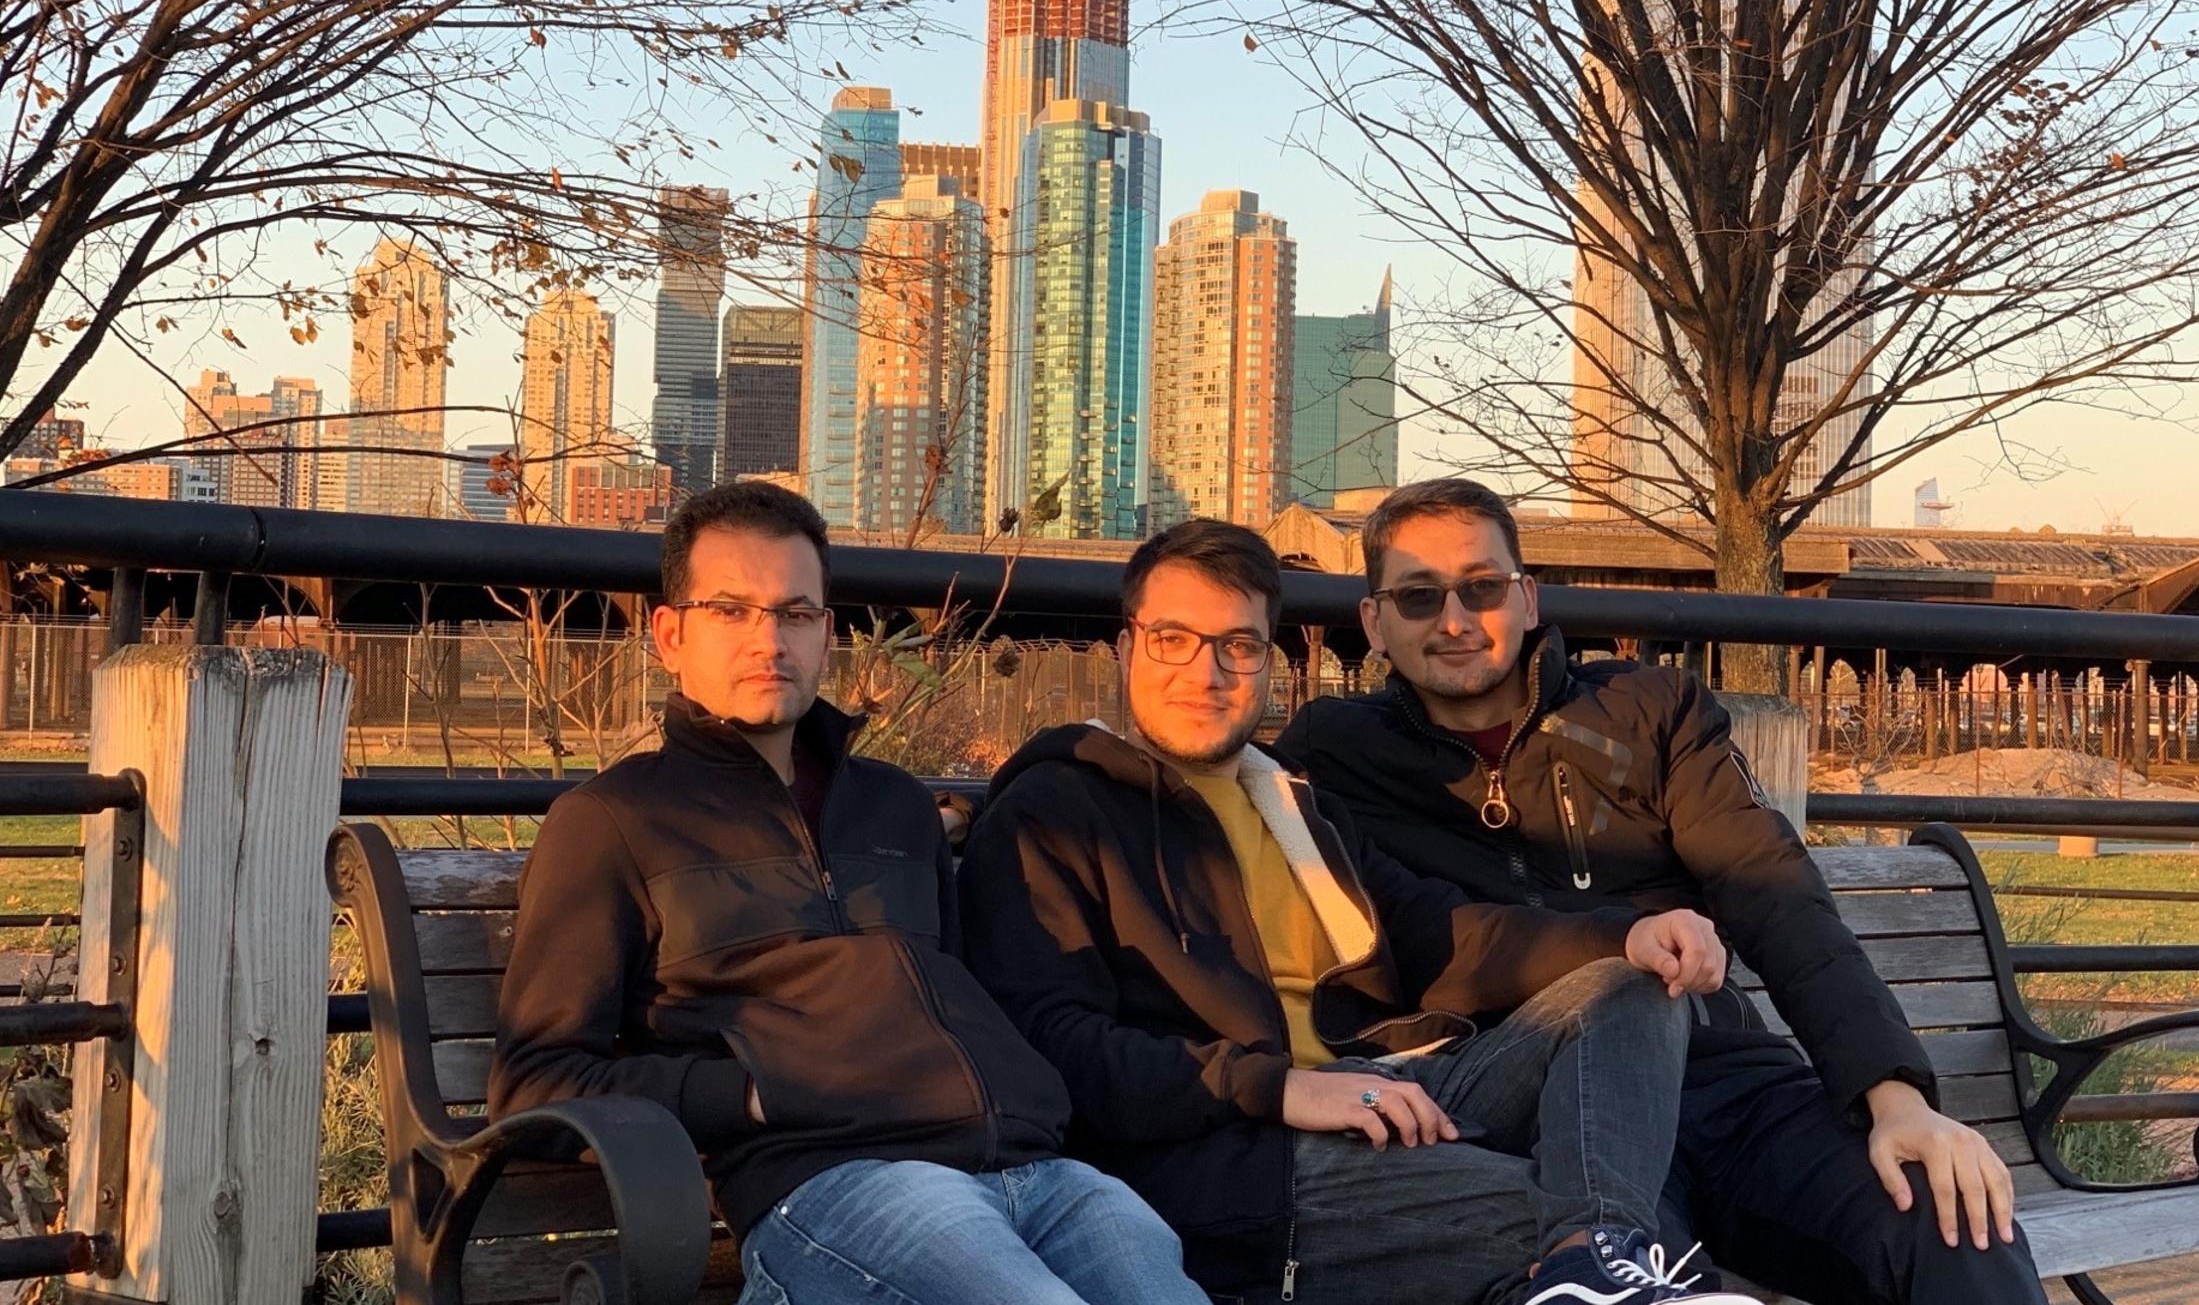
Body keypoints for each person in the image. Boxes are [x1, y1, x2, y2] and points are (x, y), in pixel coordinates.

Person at [1276, 478, 2050, 1305]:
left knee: (1953, 1219)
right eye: (1420, 597)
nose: (1456, 620)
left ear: (1527, 597)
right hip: (1534, 1116)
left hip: (1718, 1077)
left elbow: (1778, 899)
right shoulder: (1331, 755)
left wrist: (1896, 1100)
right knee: (1654, 1288)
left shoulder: (1648, 710)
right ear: (1375, 623)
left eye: (1482, 587)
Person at [960, 518, 1762, 1305]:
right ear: (1128, 646)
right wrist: (1279, 1088)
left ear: (1267, 662)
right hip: (1234, 1158)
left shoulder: (1291, 801)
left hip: (1386, 1087)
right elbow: (1054, 1048)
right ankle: (1597, 1260)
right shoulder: (1052, 811)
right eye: (1175, 639)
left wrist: (1623, 934)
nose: (1206, 674)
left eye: (1238, 646)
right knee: (1584, 1221)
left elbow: (1439, 931)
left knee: (1630, 988)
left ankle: (1592, 1262)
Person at [489, 481, 1208, 1305]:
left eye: (795, 613)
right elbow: (535, 1080)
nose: (769, 640)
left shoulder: (895, 805)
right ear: (669, 634)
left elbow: (957, 993)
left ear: (826, 633)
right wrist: (754, 1095)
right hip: (837, 1186)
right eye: (732, 611)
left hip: (1033, 1173)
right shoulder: (614, 820)